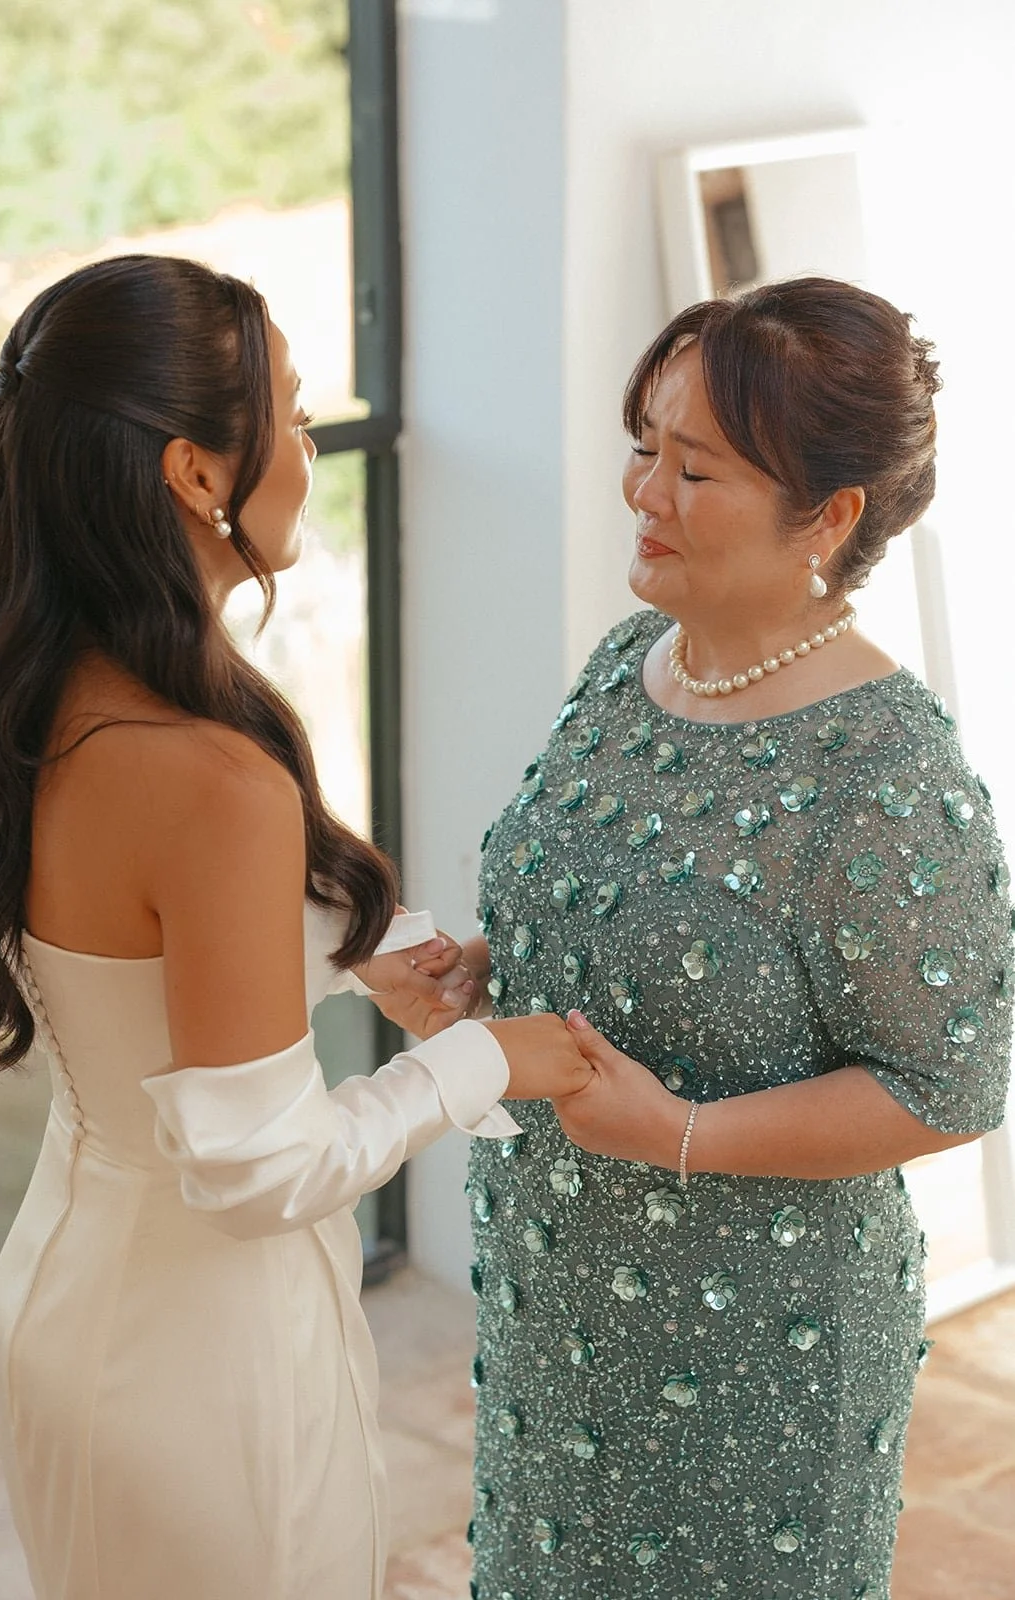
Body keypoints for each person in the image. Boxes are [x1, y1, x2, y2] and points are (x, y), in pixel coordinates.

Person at [0, 254, 592, 1600]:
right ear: (196, 473)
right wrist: (485, 1059)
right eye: (291, 415)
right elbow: (257, 1173)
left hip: (69, 1296)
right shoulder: (211, 775)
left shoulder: (39, 690)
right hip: (200, 1361)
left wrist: (362, 949)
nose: (306, 448)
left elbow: (124, 952)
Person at [459, 278, 1012, 1598]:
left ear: (828, 515)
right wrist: (483, 981)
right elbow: (613, 940)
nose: (644, 492)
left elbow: (952, 1083)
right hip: (552, 1308)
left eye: (694, 469)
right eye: (643, 447)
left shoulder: (881, 768)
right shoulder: (626, 663)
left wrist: (683, 1134)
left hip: (759, 1353)